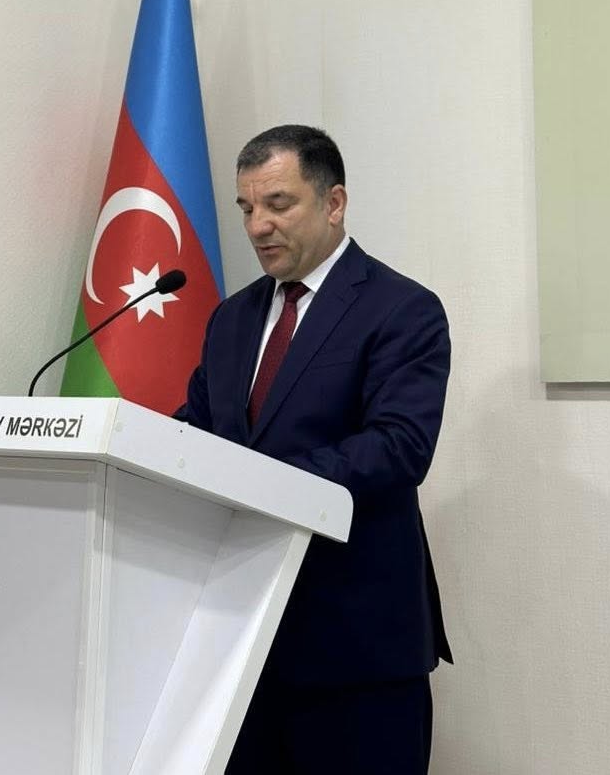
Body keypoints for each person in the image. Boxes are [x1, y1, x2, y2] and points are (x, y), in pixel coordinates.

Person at [175, 125, 452, 774]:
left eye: (278, 203)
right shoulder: (231, 318)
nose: (258, 226)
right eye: (247, 208)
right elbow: (196, 429)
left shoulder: (402, 309)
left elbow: (399, 448)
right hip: (239, 644)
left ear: (334, 203)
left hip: (355, 648)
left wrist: (257, 483)